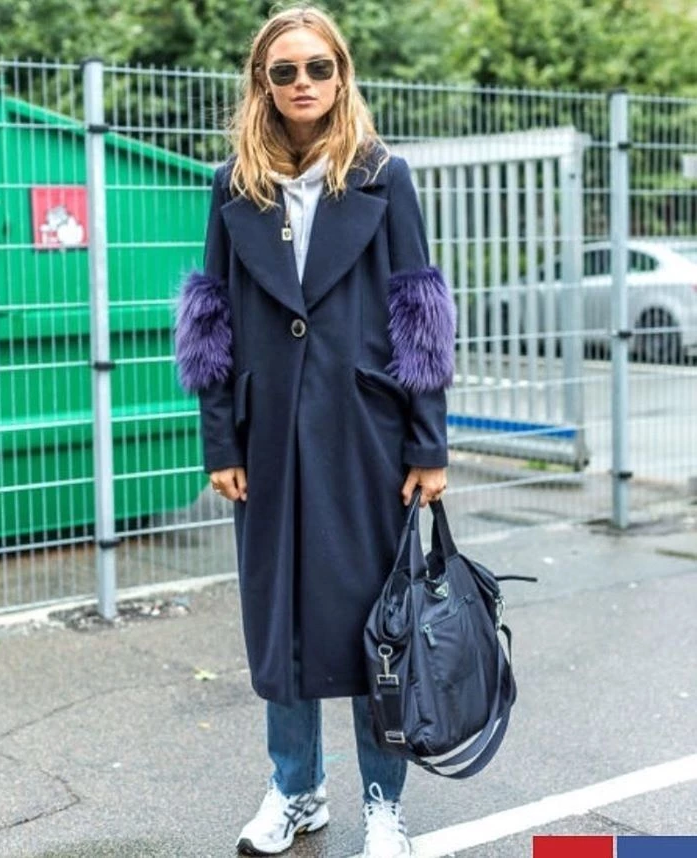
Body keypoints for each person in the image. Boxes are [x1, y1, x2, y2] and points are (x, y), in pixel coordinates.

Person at [175, 5, 456, 856]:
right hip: (265, 439)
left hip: (364, 436)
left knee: (379, 627)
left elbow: (418, 311)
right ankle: (296, 790)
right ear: (262, 83)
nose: (304, 83)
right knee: (281, 622)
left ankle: (383, 804)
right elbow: (210, 318)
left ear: (342, 74)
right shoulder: (234, 185)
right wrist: (220, 440)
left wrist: (428, 443)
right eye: (285, 71)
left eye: (319, 67)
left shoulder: (383, 176)